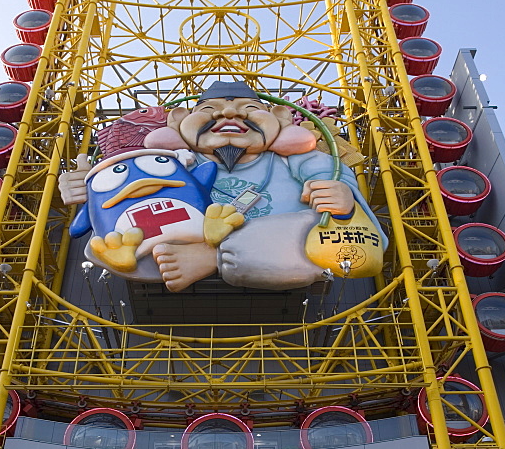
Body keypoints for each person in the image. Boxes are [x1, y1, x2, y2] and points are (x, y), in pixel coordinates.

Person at [61, 81, 387, 293]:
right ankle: (175, 254)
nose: (229, 113)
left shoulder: (299, 162)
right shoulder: (170, 165)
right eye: (208, 111)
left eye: (250, 110)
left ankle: (211, 257)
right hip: (173, 251)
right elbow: (120, 203)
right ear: (177, 122)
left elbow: (350, 218)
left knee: (312, 227)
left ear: (281, 118)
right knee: (116, 234)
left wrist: (344, 200)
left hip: (287, 251)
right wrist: (89, 188)